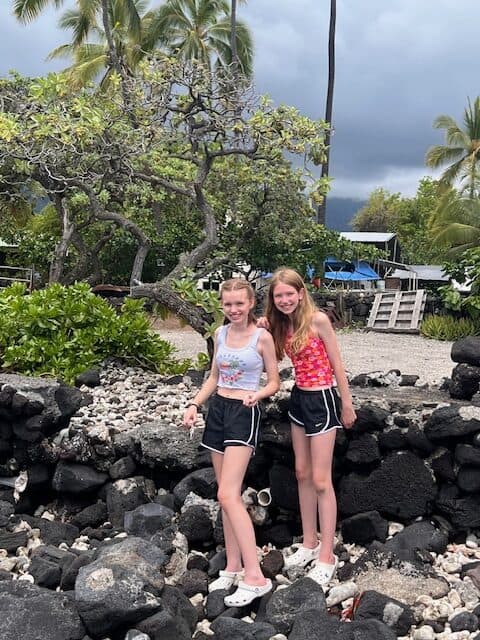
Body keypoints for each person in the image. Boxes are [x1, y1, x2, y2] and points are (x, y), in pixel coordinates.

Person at [183, 278, 280, 607]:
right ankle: (233, 565)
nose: (234, 309)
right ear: (221, 305)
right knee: (227, 496)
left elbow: (275, 381)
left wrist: (259, 394)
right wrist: (195, 404)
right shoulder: (221, 334)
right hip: (218, 411)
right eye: (228, 304)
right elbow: (214, 376)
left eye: (240, 303)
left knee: (228, 492)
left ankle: (256, 577)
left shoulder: (262, 337)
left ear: (251, 303)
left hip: (244, 411)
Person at [262, 267, 356, 585]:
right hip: (299, 398)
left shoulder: (317, 320)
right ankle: (309, 542)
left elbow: (337, 364)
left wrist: (346, 403)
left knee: (320, 479)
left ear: (301, 293)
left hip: (322, 399)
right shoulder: (280, 324)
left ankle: (327, 557)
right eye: (279, 296)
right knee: (301, 472)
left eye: (290, 294)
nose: (285, 299)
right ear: (273, 300)